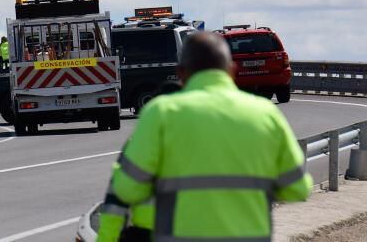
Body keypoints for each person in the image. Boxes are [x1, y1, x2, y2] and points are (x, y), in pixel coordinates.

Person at [96, 32, 310, 242]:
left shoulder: (161, 113)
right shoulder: (266, 113)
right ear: (232, 69)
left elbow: (125, 189)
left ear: (180, 73)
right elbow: (297, 188)